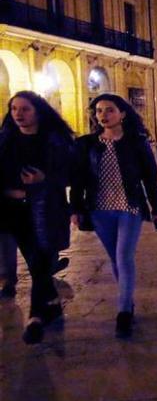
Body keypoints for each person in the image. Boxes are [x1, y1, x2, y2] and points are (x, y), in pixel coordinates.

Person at [70, 93, 157, 339]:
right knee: (114, 257)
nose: (103, 115)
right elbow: (78, 179)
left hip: (130, 206)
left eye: (109, 110)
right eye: (99, 111)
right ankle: (127, 299)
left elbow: (150, 177)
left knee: (124, 256)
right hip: (99, 209)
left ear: (122, 113)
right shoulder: (86, 144)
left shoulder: (136, 142)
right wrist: (76, 208)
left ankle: (123, 311)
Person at [0, 91, 75, 343]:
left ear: (38, 111)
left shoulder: (55, 141)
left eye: (25, 109)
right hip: (14, 211)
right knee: (36, 264)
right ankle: (50, 305)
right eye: (14, 109)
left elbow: (69, 174)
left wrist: (45, 180)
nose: (18, 114)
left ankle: (35, 318)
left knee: (40, 262)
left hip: (46, 210)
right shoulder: (5, 140)